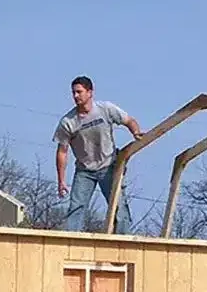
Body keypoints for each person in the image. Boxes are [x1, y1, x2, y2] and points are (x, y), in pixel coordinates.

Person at [54, 76, 142, 233]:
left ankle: (124, 243)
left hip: (108, 166)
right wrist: (61, 181)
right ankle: (71, 242)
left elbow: (129, 120)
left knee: (119, 208)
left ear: (90, 92)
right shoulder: (68, 122)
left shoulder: (106, 109)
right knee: (76, 208)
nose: (75, 96)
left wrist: (136, 132)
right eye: (73, 93)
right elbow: (62, 152)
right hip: (85, 171)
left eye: (79, 92)